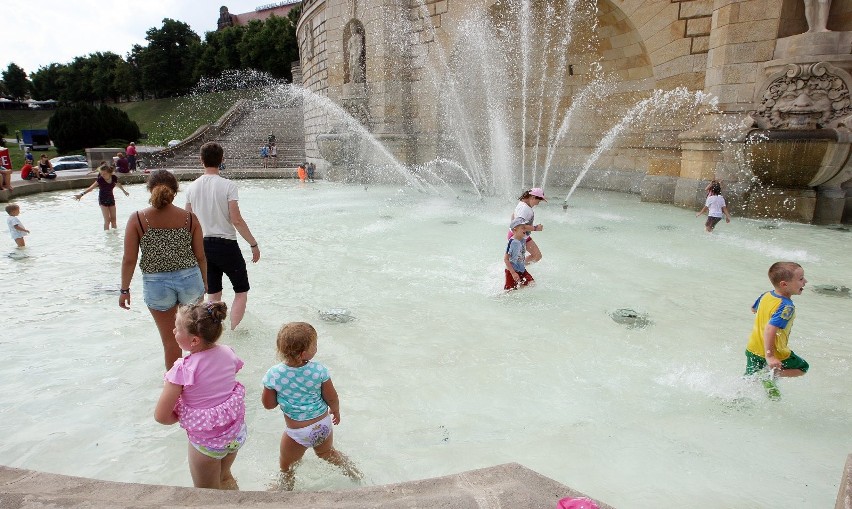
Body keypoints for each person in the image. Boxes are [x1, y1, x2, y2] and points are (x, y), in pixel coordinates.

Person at [120, 170, 207, 369]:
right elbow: (201, 256)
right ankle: (202, 384)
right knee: (197, 338)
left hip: (156, 284)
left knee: (171, 342)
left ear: (150, 190)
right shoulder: (190, 219)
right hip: (190, 280)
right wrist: (205, 281)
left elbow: (129, 259)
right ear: (175, 192)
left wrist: (124, 290)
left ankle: (175, 392)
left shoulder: (138, 219)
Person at [154, 301, 246, 490]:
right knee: (225, 477)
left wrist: (183, 417)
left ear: (194, 340)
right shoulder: (228, 352)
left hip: (207, 445)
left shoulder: (183, 368)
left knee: (206, 494)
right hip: (234, 435)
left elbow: (161, 416)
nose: (173, 332)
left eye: (177, 328)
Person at [262, 322, 362, 490]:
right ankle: (355, 474)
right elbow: (332, 397)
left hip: (297, 432)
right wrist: (336, 411)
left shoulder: (274, 375)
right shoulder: (319, 371)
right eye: (314, 345)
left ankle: (285, 492)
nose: (317, 347)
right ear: (303, 354)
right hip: (322, 425)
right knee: (326, 453)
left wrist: (281, 393)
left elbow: (268, 404)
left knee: (287, 465)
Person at [185, 142, 260, 331]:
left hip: (202, 246)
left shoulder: (191, 188)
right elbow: (236, 219)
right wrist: (253, 243)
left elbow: (188, 222)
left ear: (201, 160)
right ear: (222, 160)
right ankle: (234, 331)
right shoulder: (228, 186)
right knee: (241, 291)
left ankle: (212, 333)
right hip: (226, 244)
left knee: (213, 294)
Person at [744, 262, 809, 393]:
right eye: (801, 279)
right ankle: (771, 373)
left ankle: (737, 400)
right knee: (802, 367)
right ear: (784, 284)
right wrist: (770, 356)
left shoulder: (766, 295)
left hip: (753, 348)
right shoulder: (787, 306)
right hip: (775, 351)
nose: (805, 281)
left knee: (749, 381)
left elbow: (753, 308)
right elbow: (770, 328)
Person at [74, 162, 130, 230]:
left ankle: (115, 236)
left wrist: (124, 191)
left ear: (109, 173)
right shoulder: (100, 179)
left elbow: (118, 184)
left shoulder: (114, 177)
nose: (102, 175)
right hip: (102, 199)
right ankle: (107, 236)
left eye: (104, 173)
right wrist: (81, 194)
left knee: (113, 219)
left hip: (111, 198)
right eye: (101, 173)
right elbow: (91, 187)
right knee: (107, 220)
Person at [508, 187, 546, 264]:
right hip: (517, 238)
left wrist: (512, 229)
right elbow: (519, 226)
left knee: (537, 256)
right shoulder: (525, 209)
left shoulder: (522, 204)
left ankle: (520, 268)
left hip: (520, 236)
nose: (538, 204)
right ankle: (515, 270)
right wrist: (536, 228)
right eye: (538, 201)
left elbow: (513, 216)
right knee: (535, 256)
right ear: (532, 197)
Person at [504, 217, 535, 291]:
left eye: (525, 228)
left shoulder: (523, 239)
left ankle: (520, 290)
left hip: (521, 269)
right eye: (522, 228)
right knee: (509, 292)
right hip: (512, 271)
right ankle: (499, 298)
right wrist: (513, 273)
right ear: (515, 229)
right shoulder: (512, 242)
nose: (525, 230)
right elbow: (506, 259)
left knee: (532, 283)